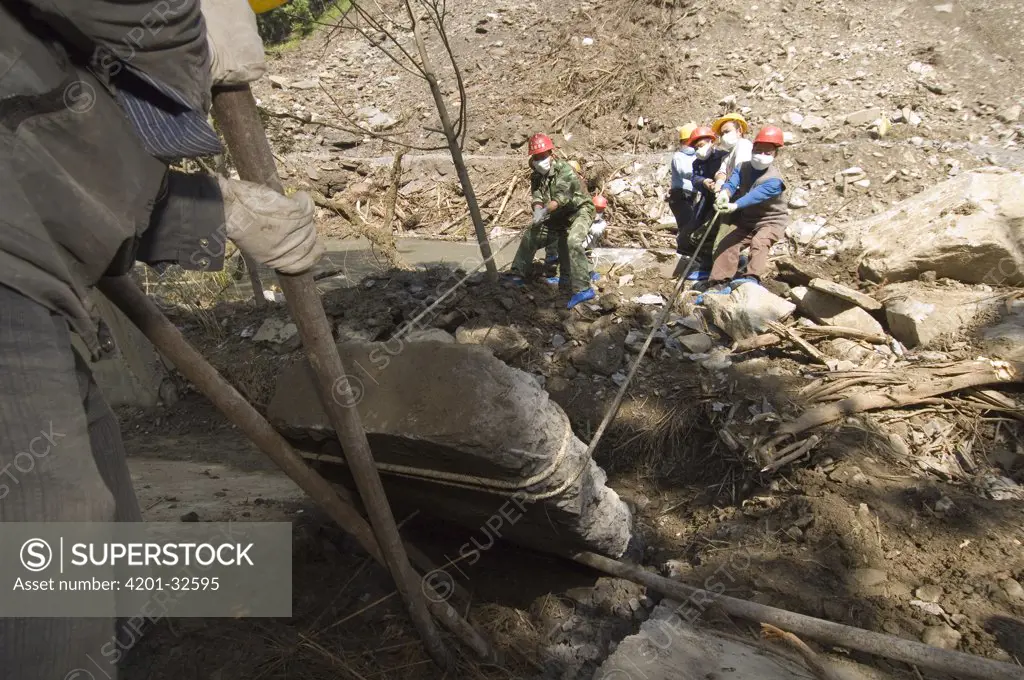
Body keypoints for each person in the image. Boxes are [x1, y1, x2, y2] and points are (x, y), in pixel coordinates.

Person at [0, 1, 321, 678]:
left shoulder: (45, 47)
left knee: (108, 533)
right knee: (52, 524)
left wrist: (213, 211)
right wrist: (187, 29)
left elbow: (42, 158)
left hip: (33, 280)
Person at [508, 133, 596, 309]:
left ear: (551, 154)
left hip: (580, 211)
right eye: (537, 157)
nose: (540, 160)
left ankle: (584, 288)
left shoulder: (565, 171)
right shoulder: (536, 175)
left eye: (543, 156)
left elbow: (560, 198)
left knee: (572, 240)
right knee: (532, 234)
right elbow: (537, 195)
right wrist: (537, 209)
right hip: (558, 215)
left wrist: (545, 211)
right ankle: (518, 274)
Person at [702, 126, 790, 296]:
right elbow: (732, 183)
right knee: (727, 243)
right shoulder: (742, 167)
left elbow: (755, 196)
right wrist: (724, 194)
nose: (761, 156)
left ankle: (751, 278)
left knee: (760, 242)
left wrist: (735, 205)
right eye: (758, 151)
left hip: (771, 221)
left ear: (775, 155)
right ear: (752, 149)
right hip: (748, 220)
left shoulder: (774, 180)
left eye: (767, 153)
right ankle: (718, 282)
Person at [667, 124, 699, 255]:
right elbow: (683, 171)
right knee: (687, 224)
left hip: (691, 195)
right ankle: (684, 252)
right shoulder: (678, 156)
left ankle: (686, 252)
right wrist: (700, 176)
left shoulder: (696, 156)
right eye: (689, 142)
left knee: (690, 223)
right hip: (679, 196)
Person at [711, 113, 754, 193]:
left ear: (739, 131)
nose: (724, 136)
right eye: (722, 134)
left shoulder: (743, 145)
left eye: (727, 132)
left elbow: (741, 173)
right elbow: (722, 172)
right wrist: (719, 181)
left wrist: (726, 191)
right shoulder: (727, 155)